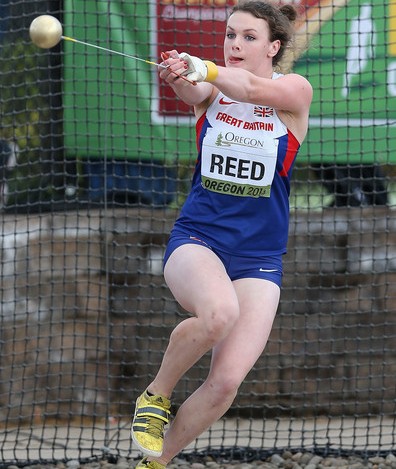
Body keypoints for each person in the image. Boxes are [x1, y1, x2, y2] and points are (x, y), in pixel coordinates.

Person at [131, 2, 313, 468]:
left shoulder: (294, 91)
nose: (235, 44)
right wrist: (181, 74)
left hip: (259, 258)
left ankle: (154, 462)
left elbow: (251, 87)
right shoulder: (212, 92)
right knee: (218, 315)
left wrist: (203, 67)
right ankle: (155, 396)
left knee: (226, 381)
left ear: (274, 46)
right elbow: (199, 88)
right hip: (198, 242)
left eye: (249, 37)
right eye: (230, 35)